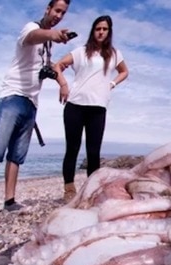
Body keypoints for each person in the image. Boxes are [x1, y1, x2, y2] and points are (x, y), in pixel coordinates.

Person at [0, 0, 72, 219]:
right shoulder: (31, 28)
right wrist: (53, 34)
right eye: (57, 10)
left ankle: (9, 201)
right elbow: (31, 38)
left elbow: (46, 68)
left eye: (63, 13)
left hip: (31, 102)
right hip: (13, 96)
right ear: (48, 9)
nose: (59, 15)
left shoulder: (47, 45)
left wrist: (62, 83)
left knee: (17, 155)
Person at [54, 15, 129, 202]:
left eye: (104, 29)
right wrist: (63, 84)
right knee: (72, 148)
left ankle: (91, 191)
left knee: (93, 152)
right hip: (75, 106)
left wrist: (111, 83)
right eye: (98, 29)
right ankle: (69, 189)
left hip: (98, 107)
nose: (101, 32)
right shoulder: (81, 51)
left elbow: (124, 71)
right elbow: (58, 65)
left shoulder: (114, 54)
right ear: (93, 31)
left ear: (109, 32)